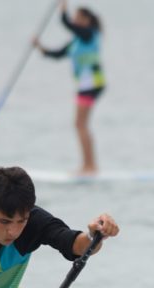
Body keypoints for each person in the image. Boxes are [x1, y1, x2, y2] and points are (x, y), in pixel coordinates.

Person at [34, 1, 105, 175]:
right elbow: (57, 54)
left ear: (86, 20)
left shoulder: (89, 34)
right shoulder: (77, 40)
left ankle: (89, 166)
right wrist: (39, 47)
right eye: (74, 17)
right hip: (85, 86)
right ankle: (89, 165)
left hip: (92, 84)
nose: (75, 20)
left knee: (80, 125)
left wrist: (63, 8)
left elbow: (67, 24)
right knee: (81, 125)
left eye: (78, 17)